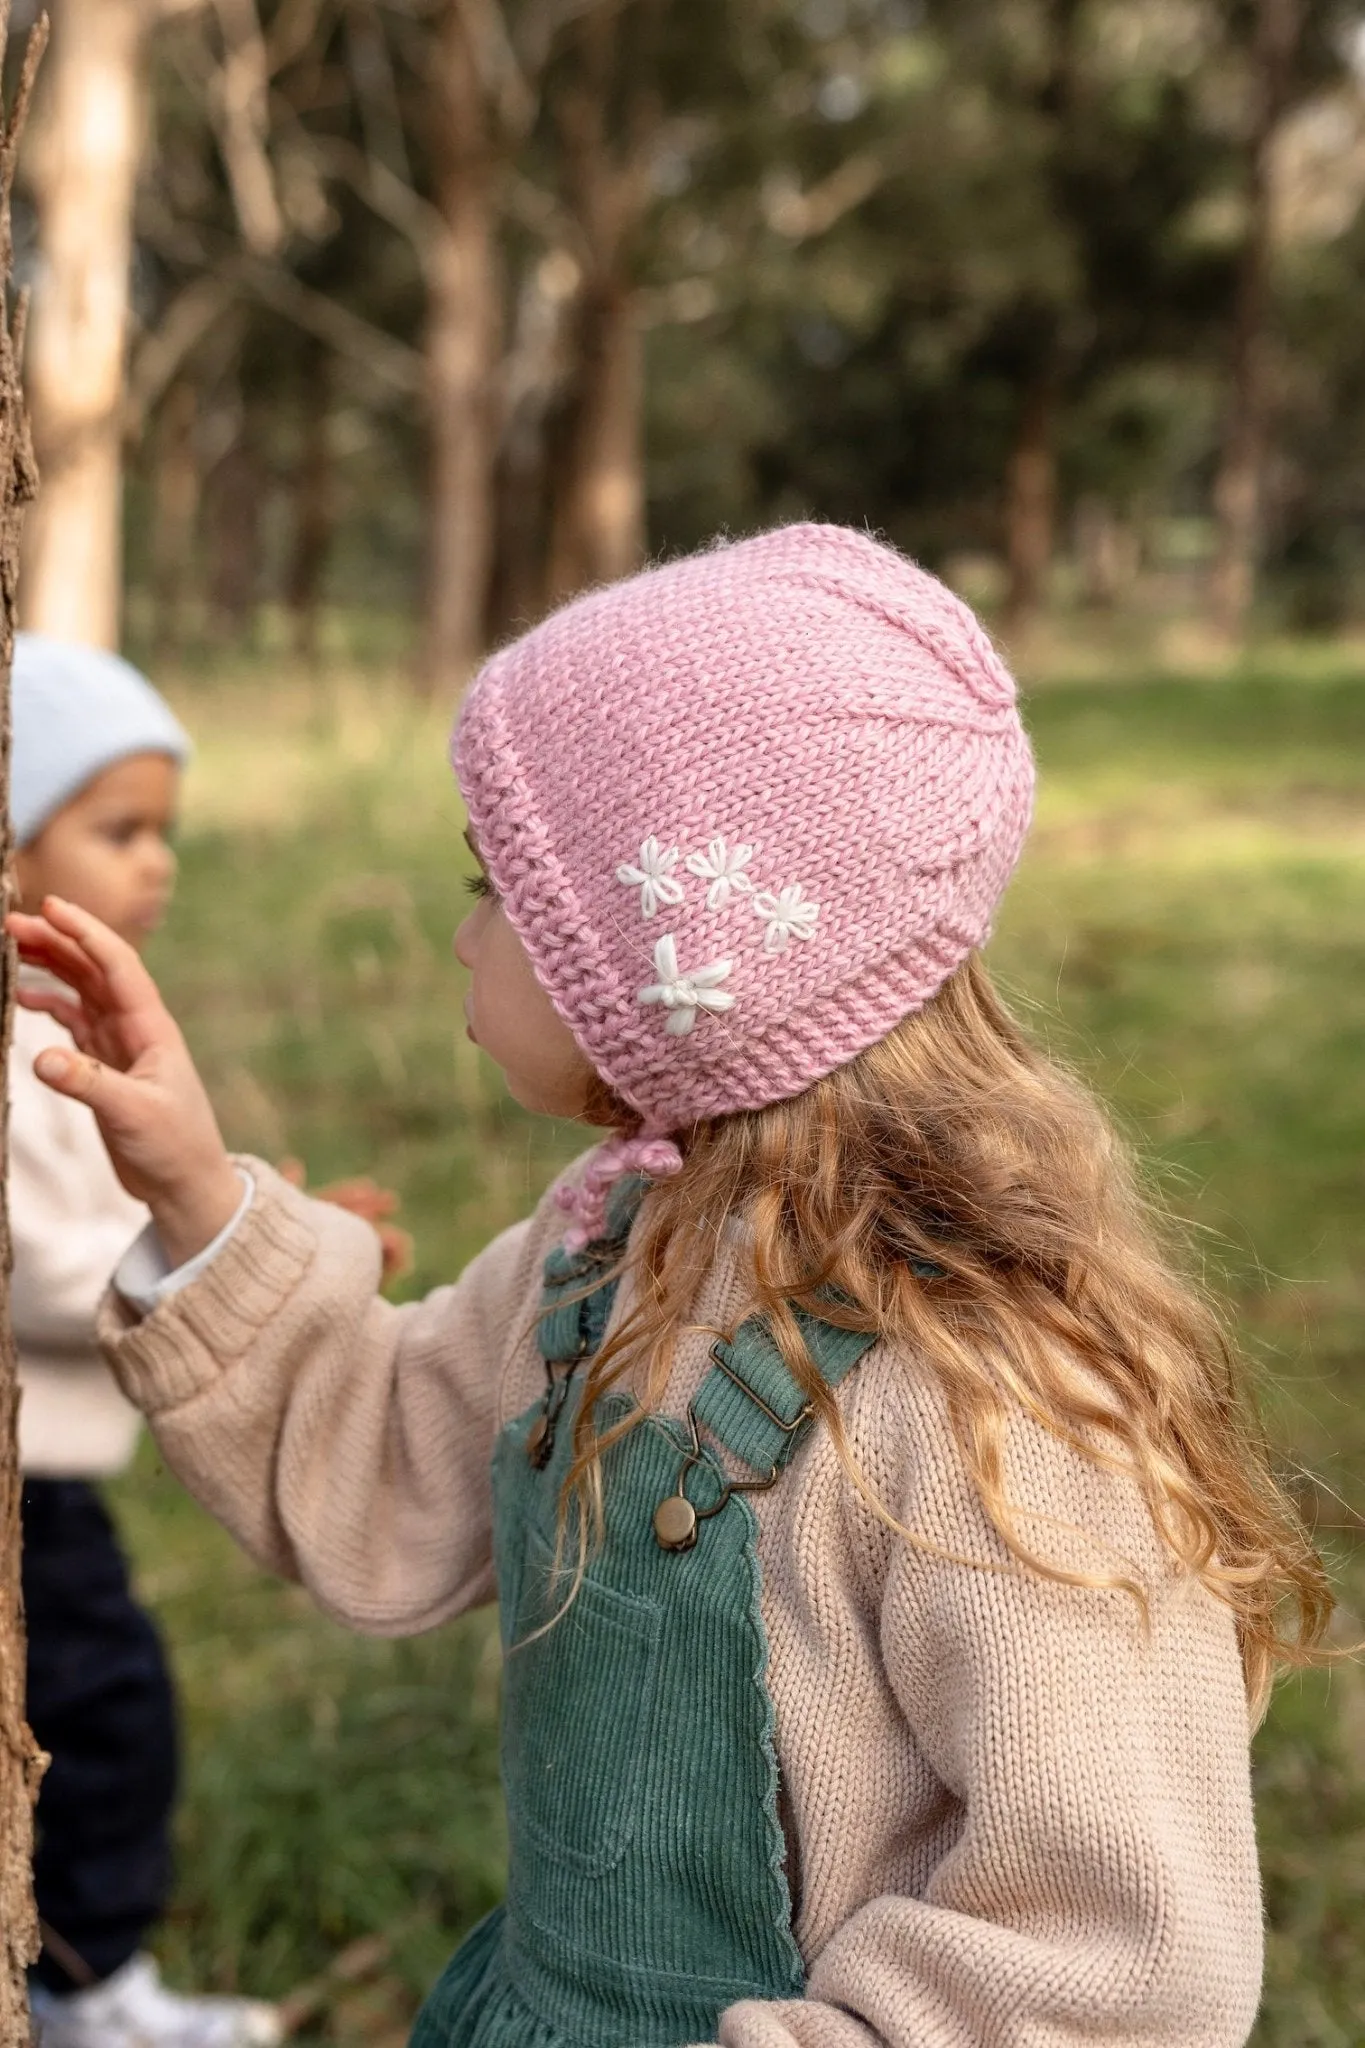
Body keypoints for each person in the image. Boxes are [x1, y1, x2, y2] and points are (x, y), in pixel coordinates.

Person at [10, 526, 1330, 2048]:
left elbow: (1122, 1959)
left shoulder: (995, 1406)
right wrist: (191, 1187)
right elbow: (378, 1473)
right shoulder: (617, 1255)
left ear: (659, 956)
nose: (458, 932)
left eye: (492, 888)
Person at [10, 638, 285, 2048]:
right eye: (118, 829)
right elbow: (30, 1256)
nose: (157, 863)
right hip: (28, 1498)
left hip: (56, 1480)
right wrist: (194, 1251)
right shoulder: (21, 1051)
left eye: (164, 830)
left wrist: (236, 1223)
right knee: (104, 1717)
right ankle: (85, 1985)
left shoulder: (61, 1033)